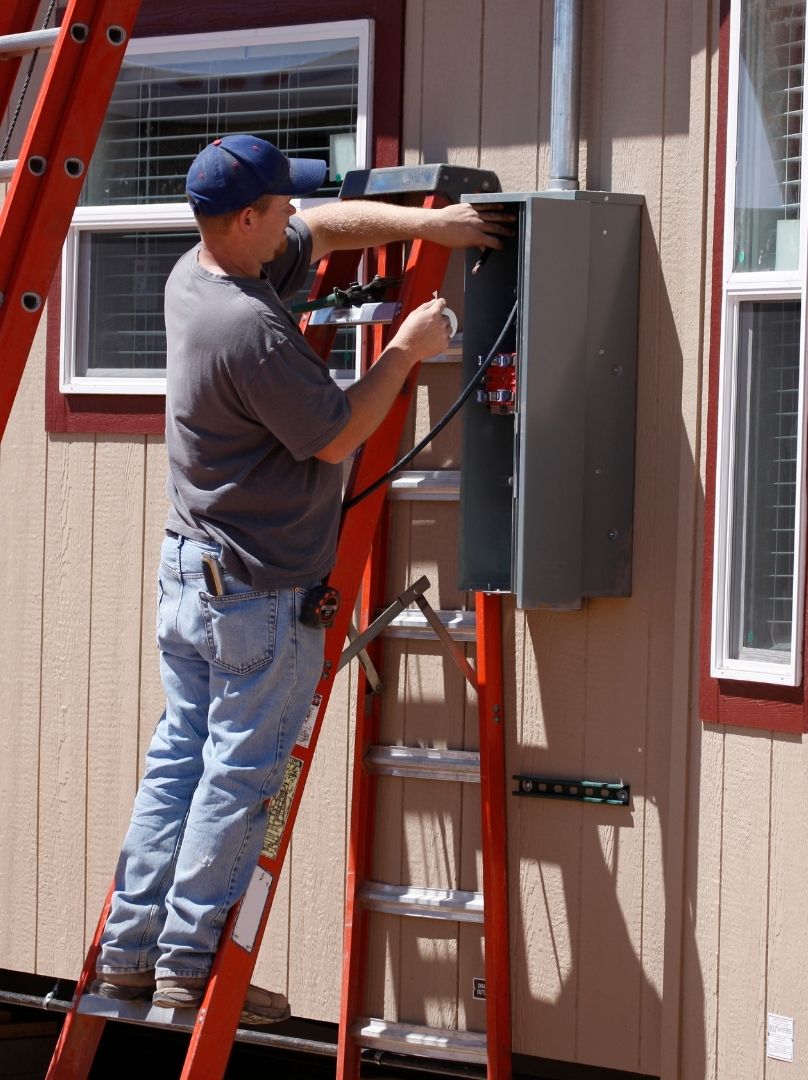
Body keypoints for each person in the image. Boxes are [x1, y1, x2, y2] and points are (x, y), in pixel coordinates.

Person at [91, 134, 511, 1023]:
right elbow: (334, 435)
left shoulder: (196, 275)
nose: (293, 221)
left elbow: (322, 232)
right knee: (238, 776)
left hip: (193, 576)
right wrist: (407, 346)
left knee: (178, 763)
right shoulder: (248, 327)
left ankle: (132, 951)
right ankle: (191, 964)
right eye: (278, 209)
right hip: (257, 592)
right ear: (245, 220)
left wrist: (434, 223)